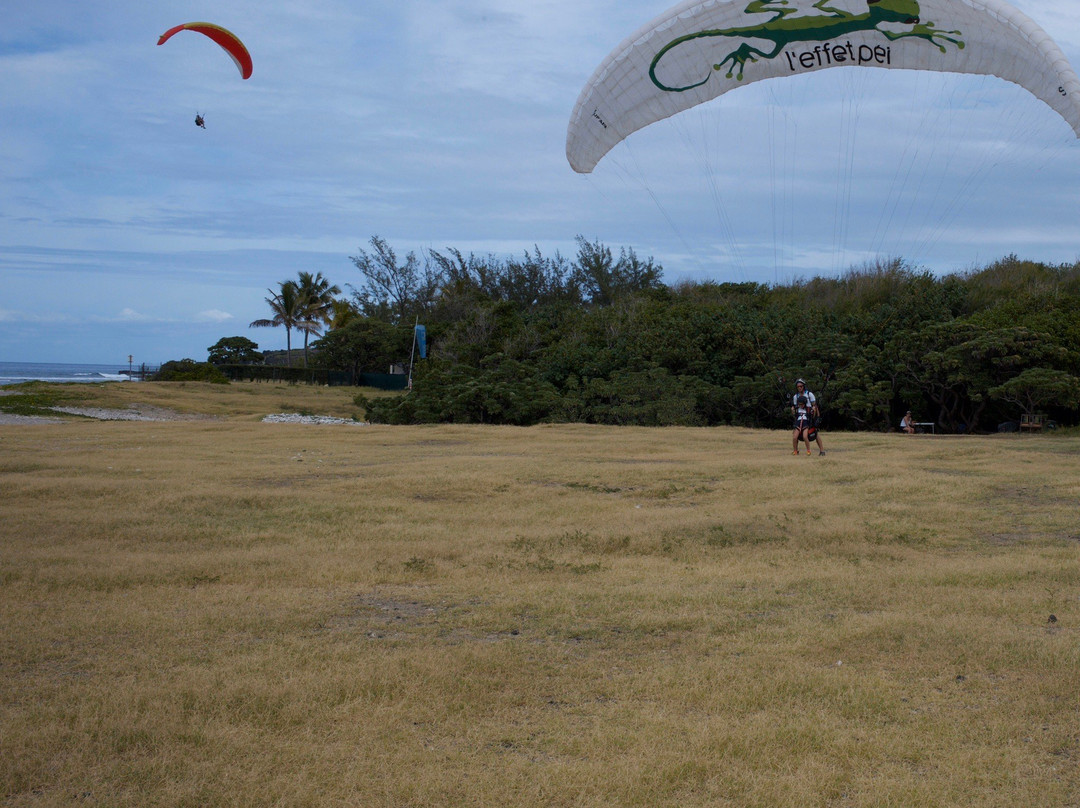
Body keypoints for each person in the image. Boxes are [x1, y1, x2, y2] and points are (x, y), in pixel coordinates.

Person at [791, 378, 826, 456]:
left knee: (815, 433)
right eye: (798, 386)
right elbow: (794, 407)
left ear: (803, 386)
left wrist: (817, 417)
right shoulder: (796, 396)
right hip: (800, 417)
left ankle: (822, 451)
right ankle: (796, 450)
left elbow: (815, 406)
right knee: (795, 434)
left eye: (801, 386)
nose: (799, 388)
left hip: (810, 416)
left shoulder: (809, 394)